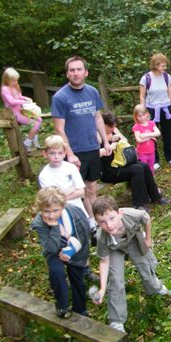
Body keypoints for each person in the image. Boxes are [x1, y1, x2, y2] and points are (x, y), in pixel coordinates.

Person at [92, 196, 171, 333]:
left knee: (145, 266)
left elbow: (146, 219)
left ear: (120, 213)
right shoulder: (102, 237)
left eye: (112, 218)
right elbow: (104, 261)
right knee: (116, 281)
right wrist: (102, 288)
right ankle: (117, 321)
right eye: (102, 222)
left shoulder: (132, 214)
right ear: (97, 222)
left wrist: (148, 239)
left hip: (133, 240)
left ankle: (155, 288)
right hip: (115, 250)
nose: (109, 225)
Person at [51, 55, 111, 228]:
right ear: (67, 74)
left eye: (79, 69)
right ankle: (76, 225)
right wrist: (69, 154)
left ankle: (95, 222)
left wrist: (105, 142)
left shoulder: (92, 91)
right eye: (72, 70)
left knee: (91, 187)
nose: (76, 73)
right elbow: (59, 129)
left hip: (92, 147)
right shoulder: (60, 97)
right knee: (75, 191)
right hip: (74, 152)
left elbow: (98, 117)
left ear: (86, 72)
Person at [31, 187, 90, 318]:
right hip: (54, 250)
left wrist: (70, 251)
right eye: (46, 211)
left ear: (63, 206)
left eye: (55, 210)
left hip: (75, 247)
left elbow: (84, 235)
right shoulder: (39, 222)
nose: (51, 215)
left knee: (77, 276)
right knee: (56, 272)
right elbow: (51, 247)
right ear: (40, 209)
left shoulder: (75, 212)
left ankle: (80, 308)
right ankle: (62, 305)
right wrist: (55, 227)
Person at [100, 112, 168, 210]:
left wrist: (116, 137)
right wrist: (111, 144)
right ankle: (139, 204)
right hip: (109, 170)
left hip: (122, 163)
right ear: (103, 124)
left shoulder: (113, 130)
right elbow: (97, 153)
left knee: (144, 166)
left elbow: (125, 140)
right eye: (110, 126)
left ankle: (156, 197)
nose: (112, 128)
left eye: (114, 126)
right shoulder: (97, 135)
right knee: (137, 170)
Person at [139, 53, 171, 169]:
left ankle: (169, 157)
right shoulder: (146, 78)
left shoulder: (166, 77)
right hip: (151, 109)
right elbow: (142, 96)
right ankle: (155, 160)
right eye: (162, 66)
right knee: (152, 134)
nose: (165, 68)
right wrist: (143, 112)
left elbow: (170, 93)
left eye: (165, 66)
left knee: (167, 134)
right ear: (155, 65)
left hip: (166, 108)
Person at [38, 135, 89, 217]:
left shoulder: (71, 168)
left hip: (77, 209)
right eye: (52, 153)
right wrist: (71, 190)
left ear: (64, 153)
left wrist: (62, 195)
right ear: (45, 154)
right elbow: (53, 199)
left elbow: (81, 191)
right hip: (59, 213)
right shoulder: (44, 175)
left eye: (60, 153)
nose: (56, 157)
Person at [0, 67, 42, 151]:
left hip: (21, 111)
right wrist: (23, 102)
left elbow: (19, 97)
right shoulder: (5, 89)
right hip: (14, 114)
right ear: (7, 80)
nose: (15, 82)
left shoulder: (14, 87)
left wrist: (25, 98)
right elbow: (11, 101)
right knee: (35, 124)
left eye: (16, 80)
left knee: (39, 120)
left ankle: (34, 141)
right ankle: (26, 143)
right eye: (13, 80)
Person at [132, 104, 161, 174]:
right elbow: (139, 140)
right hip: (142, 153)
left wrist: (146, 135)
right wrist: (151, 137)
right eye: (139, 116)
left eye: (143, 115)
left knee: (151, 167)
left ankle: (151, 182)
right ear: (136, 117)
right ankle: (144, 182)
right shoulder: (136, 127)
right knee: (143, 168)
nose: (142, 118)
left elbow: (158, 133)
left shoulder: (151, 123)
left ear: (147, 114)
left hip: (151, 152)